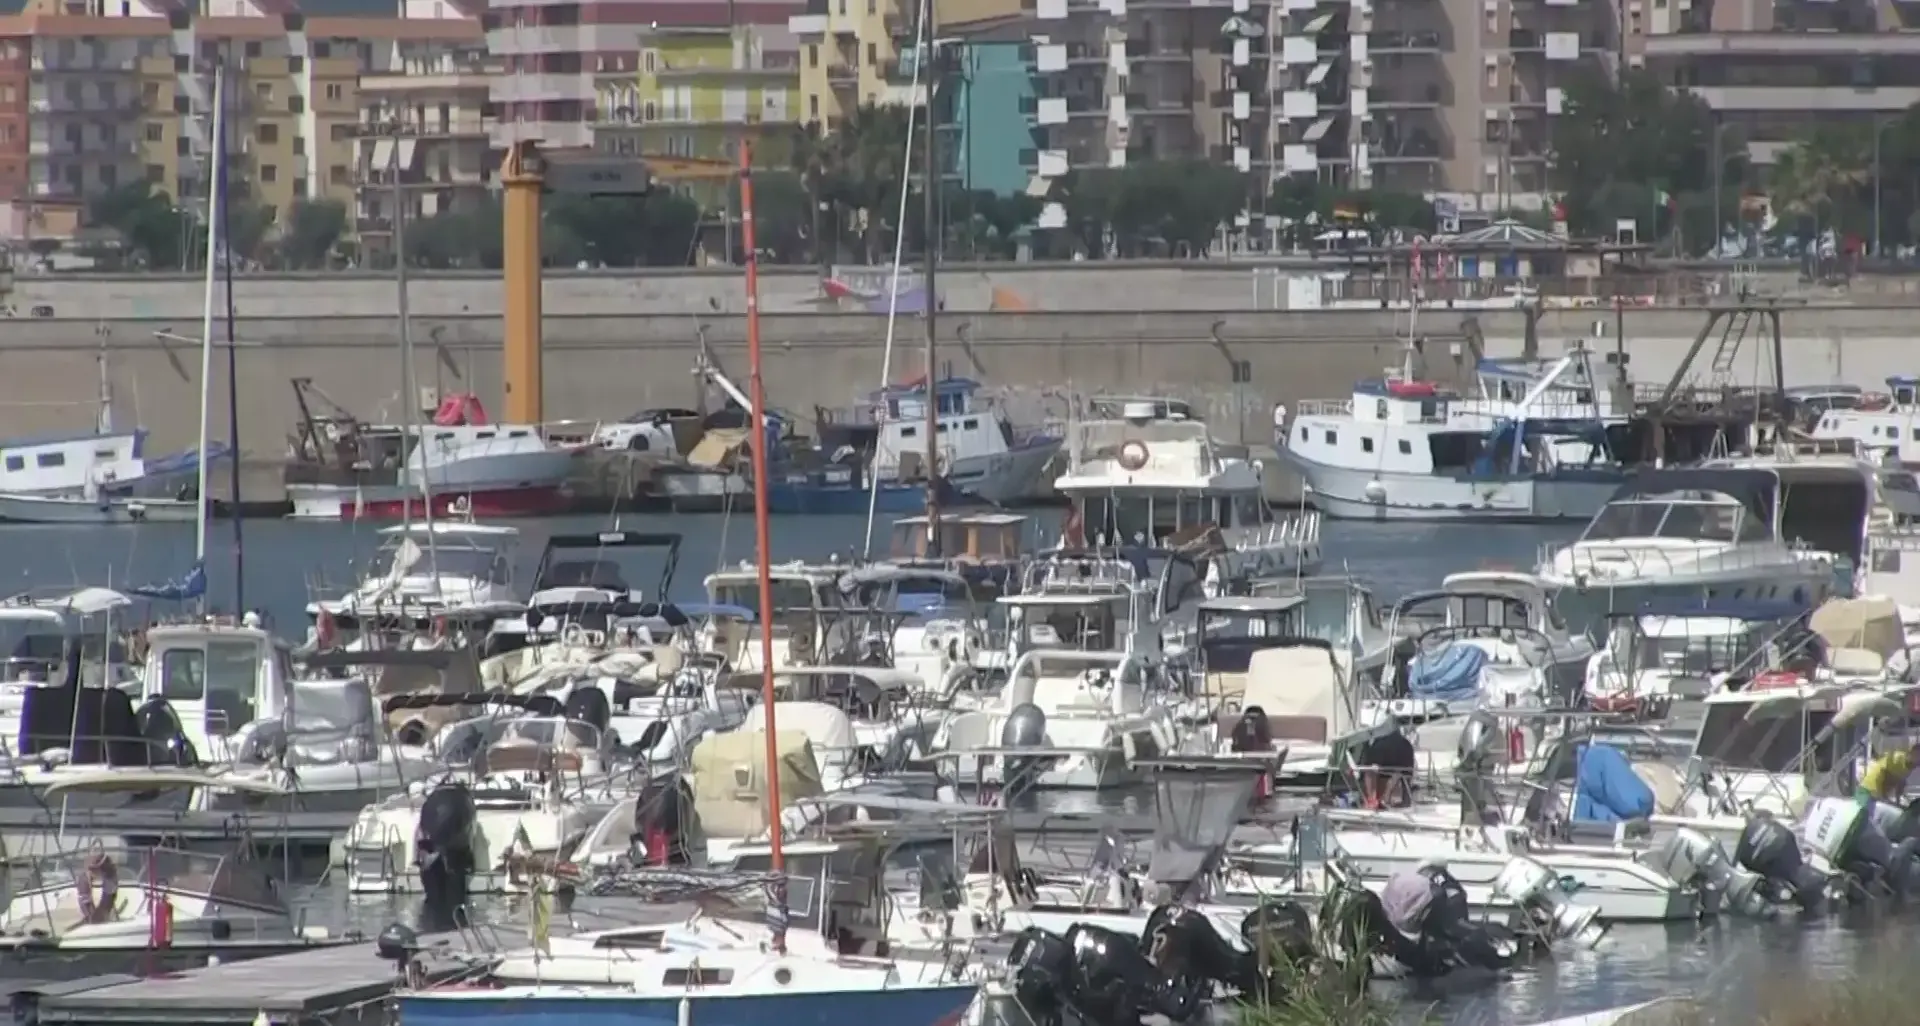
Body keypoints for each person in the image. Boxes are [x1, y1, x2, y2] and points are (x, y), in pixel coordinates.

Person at [1358, 720, 1417, 809]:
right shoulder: (1405, 743)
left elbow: (1370, 771)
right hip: (1403, 751)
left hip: (1385, 750)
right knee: (1392, 774)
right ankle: (1405, 799)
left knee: (1372, 771)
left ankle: (1373, 800)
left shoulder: (1377, 744)